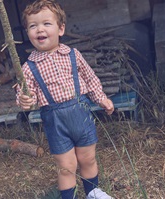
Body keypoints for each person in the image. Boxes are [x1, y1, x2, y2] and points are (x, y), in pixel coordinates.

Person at [16, 0, 114, 198]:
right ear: (28, 32)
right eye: (33, 26)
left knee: (87, 158)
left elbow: (89, 78)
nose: (39, 29)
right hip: (56, 121)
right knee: (67, 166)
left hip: (81, 113)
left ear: (61, 29)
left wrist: (101, 98)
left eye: (46, 24)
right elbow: (27, 95)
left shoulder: (72, 54)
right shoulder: (28, 68)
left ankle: (92, 192)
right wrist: (25, 100)